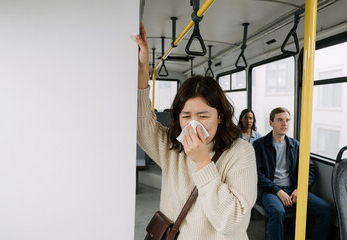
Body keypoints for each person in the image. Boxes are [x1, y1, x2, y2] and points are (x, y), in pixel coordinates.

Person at [135, 23, 257, 240]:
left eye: (203, 116)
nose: (193, 125)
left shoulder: (241, 152)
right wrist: (143, 69)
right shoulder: (173, 147)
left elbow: (231, 222)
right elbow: (143, 125)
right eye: (185, 116)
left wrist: (203, 163)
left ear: (220, 116)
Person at [253, 107, 332, 240]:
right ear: (271, 123)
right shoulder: (259, 145)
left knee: (325, 210)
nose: (285, 124)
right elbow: (257, 174)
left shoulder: (296, 145)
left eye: (287, 120)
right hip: (270, 190)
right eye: (280, 120)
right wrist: (278, 191)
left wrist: (300, 189)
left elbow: (310, 170)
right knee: (278, 212)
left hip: (293, 189)